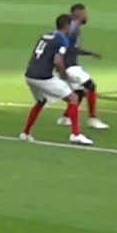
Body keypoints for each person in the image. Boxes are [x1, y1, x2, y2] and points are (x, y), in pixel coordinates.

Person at [19, 14, 92, 145]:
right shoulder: (62, 39)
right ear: (67, 26)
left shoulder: (45, 36)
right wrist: (64, 75)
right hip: (43, 77)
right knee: (73, 98)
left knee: (41, 101)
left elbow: (36, 56)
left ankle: (25, 133)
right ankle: (75, 134)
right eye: (71, 25)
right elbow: (58, 60)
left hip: (29, 75)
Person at [55, 3, 107, 130]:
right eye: (84, 13)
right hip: (69, 66)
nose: (86, 15)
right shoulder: (72, 28)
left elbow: (74, 49)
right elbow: (62, 47)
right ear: (78, 13)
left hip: (68, 65)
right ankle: (93, 119)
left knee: (79, 93)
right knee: (91, 86)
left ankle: (66, 117)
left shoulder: (73, 28)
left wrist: (90, 54)